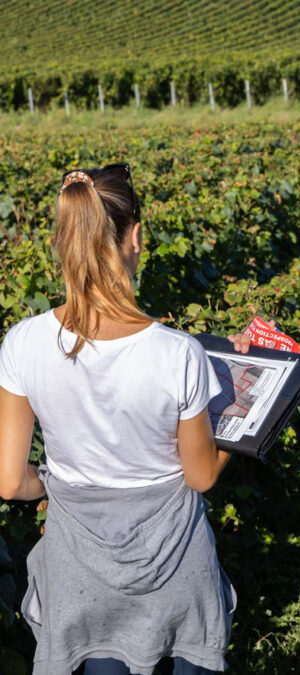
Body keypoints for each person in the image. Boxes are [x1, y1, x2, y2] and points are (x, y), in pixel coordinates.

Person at [0, 163, 256, 674]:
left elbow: (10, 482)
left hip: (79, 578)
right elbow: (200, 475)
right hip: (175, 573)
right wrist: (246, 413)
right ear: (136, 236)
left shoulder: (22, 343)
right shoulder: (178, 354)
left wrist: (64, 486)